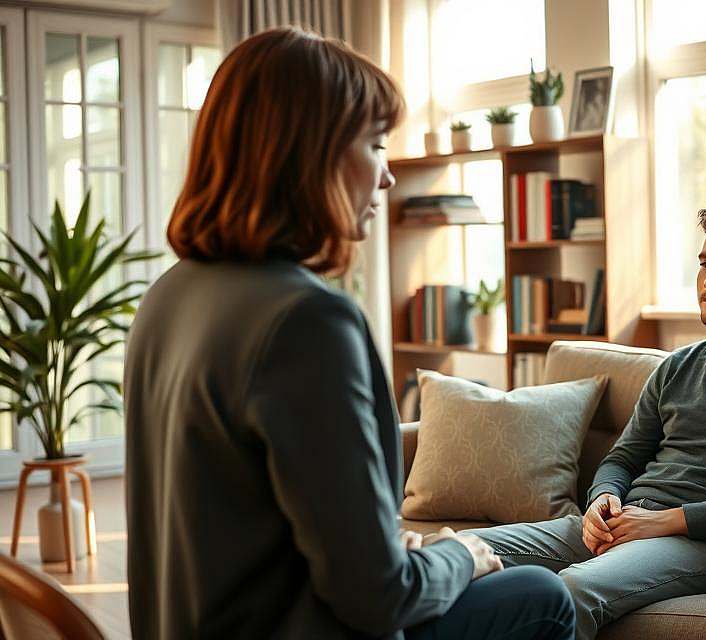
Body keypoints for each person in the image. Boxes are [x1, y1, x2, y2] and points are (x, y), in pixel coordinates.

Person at [124, 27, 574, 640]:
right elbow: (379, 599)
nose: (387, 179)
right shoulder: (307, 322)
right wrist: (459, 555)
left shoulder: (169, 294)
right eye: (377, 146)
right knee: (542, 596)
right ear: (312, 154)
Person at [467, 199, 706, 639]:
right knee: (456, 554)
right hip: (623, 521)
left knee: (569, 590)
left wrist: (667, 520)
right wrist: (602, 499)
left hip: (700, 544)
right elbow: (623, 456)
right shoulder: (678, 366)